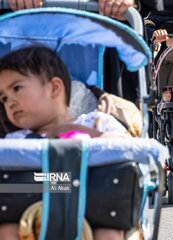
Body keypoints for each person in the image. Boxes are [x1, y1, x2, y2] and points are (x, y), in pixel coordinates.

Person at [0, 45, 129, 240]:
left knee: (109, 232)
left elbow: (129, 148)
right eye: (3, 97)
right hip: (31, 205)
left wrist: (86, 133)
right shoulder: (16, 140)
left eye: (17, 88)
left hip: (95, 201)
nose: (9, 102)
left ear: (54, 88)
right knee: (6, 228)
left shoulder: (96, 122)